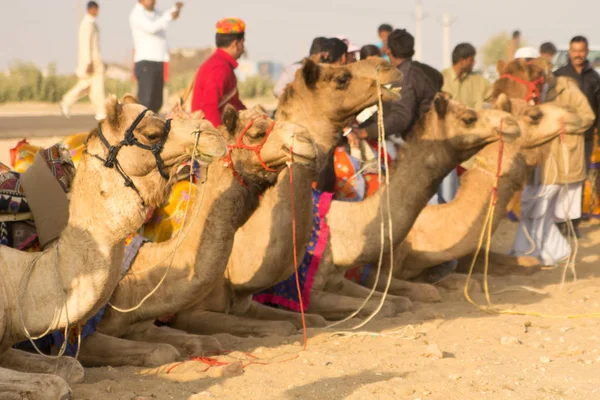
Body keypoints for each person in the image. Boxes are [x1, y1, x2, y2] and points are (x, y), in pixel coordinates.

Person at [511, 67, 595, 262]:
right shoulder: (532, 93)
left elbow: (588, 116)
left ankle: (533, 252)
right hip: (538, 158)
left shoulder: (567, 89)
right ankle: (545, 251)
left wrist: (561, 123)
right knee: (532, 205)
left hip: (560, 158)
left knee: (538, 205)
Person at [191, 18, 247, 128]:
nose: (243, 47)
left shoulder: (220, 63)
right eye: (242, 43)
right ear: (235, 44)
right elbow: (210, 106)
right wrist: (220, 137)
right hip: (210, 132)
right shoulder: (220, 67)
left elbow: (233, 102)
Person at [130, 0, 183, 113]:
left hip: (158, 61)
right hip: (145, 62)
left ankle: (152, 128)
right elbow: (152, 27)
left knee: (157, 102)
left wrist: (175, 9)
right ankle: (141, 128)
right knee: (146, 102)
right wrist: (169, 16)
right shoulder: (137, 14)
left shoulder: (155, 14)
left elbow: (166, 16)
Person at [555, 36, 600, 170]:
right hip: (563, 133)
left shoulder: (594, 77)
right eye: (574, 51)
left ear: (587, 51)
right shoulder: (559, 75)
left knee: (583, 170)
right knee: (563, 171)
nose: (577, 55)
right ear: (569, 51)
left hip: (586, 134)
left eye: (581, 51)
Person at [59, 1, 105, 121]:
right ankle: (100, 113)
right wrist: (88, 62)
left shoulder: (92, 24)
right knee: (93, 86)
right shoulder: (87, 24)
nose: (97, 12)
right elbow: (85, 44)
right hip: (91, 62)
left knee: (90, 87)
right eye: (95, 9)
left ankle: (68, 101)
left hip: (95, 60)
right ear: (90, 9)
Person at [442, 43, 492, 109]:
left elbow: (496, 94)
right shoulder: (441, 78)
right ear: (462, 61)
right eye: (471, 60)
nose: (474, 63)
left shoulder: (478, 81)